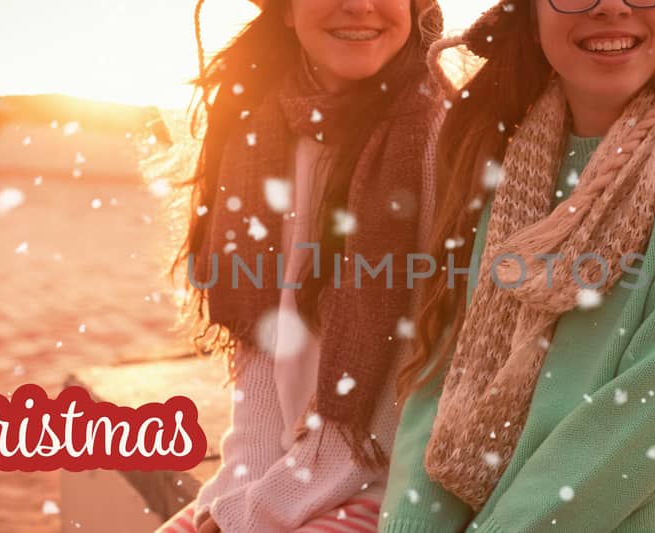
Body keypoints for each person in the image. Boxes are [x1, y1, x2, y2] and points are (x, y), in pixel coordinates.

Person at [381, 0, 655, 530]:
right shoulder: (502, 162)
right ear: (531, 15)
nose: (610, 6)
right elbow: (443, 376)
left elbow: (651, 412)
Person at [158, 0, 445, 531]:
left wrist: (262, 509)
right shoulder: (257, 134)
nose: (360, 5)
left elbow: (403, 392)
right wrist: (237, 491)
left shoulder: (436, 140)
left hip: (395, 484)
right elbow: (262, 361)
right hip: (294, 475)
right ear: (286, 11)